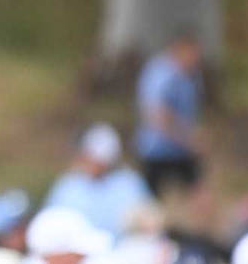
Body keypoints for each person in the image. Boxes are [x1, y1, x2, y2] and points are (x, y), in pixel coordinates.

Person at [44, 122, 151, 237]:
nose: (96, 164)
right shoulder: (69, 185)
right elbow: (52, 223)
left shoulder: (129, 183)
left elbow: (147, 219)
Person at [135, 32, 204, 197]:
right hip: (156, 151)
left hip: (182, 151)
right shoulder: (160, 74)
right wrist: (187, 138)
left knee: (199, 196)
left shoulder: (193, 76)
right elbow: (156, 114)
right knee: (150, 202)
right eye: (192, 54)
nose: (196, 59)